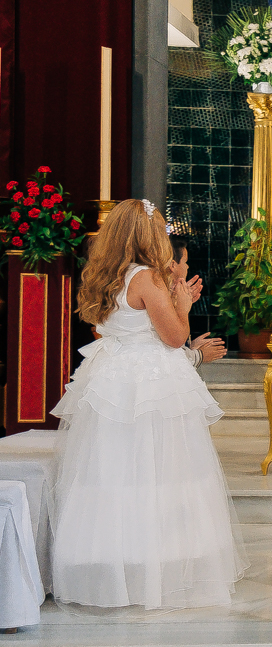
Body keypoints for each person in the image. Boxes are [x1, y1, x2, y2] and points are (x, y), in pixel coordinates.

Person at [50, 199, 245, 608]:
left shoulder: (102, 275)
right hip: (150, 383)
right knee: (161, 470)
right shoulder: (146, 278)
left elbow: (108, 328)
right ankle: (160, 568)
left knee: (114, 470)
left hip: (110, 378)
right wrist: (184, 305)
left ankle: (114, 567)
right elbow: (174, 337)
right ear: (147, 236)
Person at [168, 234, 227, 367]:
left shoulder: (167, 293)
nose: (187, 267)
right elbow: (162, 352)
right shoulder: (158, 294)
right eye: (185, 262)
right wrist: (199, 355)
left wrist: (189, 347)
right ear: (173, 264)